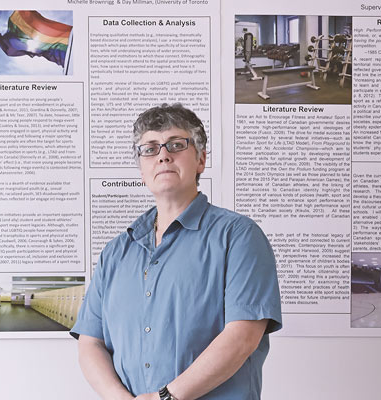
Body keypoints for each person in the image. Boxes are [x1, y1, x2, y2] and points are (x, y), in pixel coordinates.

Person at [71, 103, 282, 400]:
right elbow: (90, 342)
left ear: (201, 159)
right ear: (141, 169)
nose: (163, 156)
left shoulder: (238, 236)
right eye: (150, 148)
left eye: (176, 144)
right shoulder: (115, 253)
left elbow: (243, 335)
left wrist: (166, 397)